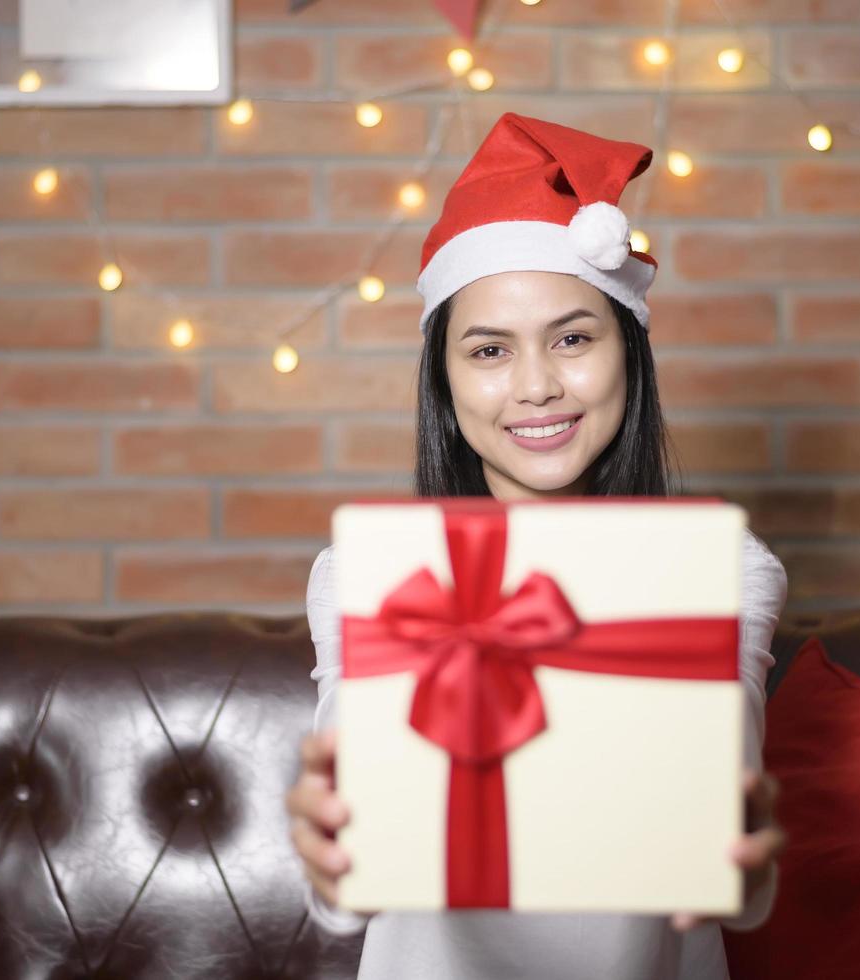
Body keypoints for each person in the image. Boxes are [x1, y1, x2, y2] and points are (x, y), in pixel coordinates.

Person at [284, 112, 789, 980]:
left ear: (626, 352)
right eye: (488, 349)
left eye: (572, 337)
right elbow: (347, 883)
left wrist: (740, 872)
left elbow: (716, 835)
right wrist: (334, 855)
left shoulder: (726, 572)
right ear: (444, 382)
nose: (535, 386)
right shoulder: (367, 576)